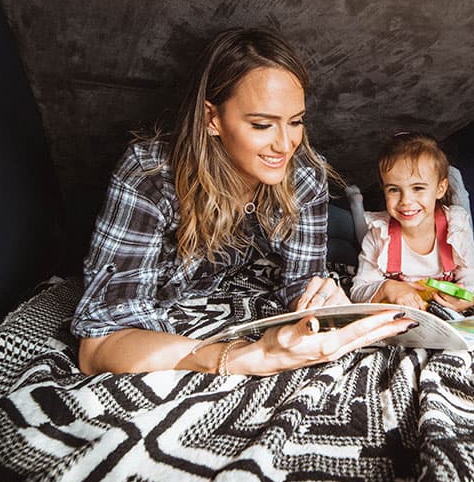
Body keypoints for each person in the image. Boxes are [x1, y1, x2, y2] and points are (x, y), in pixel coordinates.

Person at [71, 27, 416, 376]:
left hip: (242, 265)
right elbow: (98, 345)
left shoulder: (305, 176)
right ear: (212, 119)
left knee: (347, 243)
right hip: (156, 298)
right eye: (263, 125)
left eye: (295, 121)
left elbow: (300, 281)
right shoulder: (149, 177)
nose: (285, 145)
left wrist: (317, 305)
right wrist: (245, 357)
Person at [348, 132, 474, 312]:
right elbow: (358, 291)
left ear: (440, 189)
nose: (406, 200)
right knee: (360, 233)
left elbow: (471, 274)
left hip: (447, 211)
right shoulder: (380, 234)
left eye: (418, 188)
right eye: (394, 189)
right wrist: (387, 287)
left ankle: (454, 179)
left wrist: (470, 297)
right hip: (382, 232)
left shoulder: (455, 228)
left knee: (462, 203)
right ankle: (355, 203)